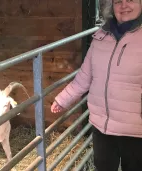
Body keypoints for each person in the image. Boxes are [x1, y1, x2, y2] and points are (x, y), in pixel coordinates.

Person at [51, 0, 142, 170]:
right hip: (102, 125)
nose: (124, 6)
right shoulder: (101, 37)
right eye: (118, 1)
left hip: (135, 129)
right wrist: (62, 99)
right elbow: (84, 77)